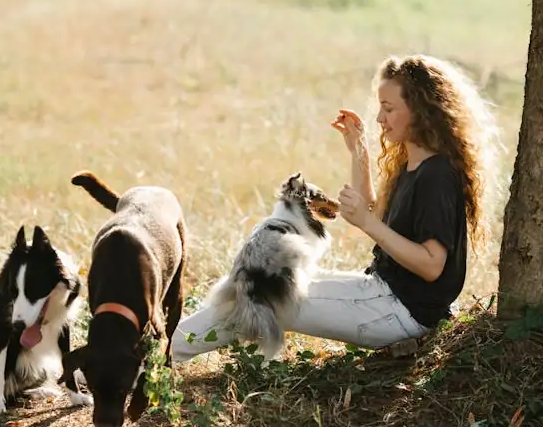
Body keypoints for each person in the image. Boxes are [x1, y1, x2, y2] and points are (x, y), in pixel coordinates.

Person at [171, 54, 501, 362]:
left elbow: (431, 265)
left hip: (400, 311)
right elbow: (377, 211)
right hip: (381, 294)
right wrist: (358, 149)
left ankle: (155, 358)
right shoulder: (414, 163)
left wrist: (368, 225)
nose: (379, 118)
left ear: (421, 110)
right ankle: (159, 349)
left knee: (261, 299)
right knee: (267, 283)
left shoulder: (437, 176)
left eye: (388, 108)